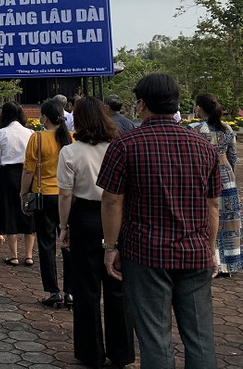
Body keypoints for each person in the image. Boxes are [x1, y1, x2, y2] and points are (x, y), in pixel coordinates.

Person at [97, 73, 221, 368]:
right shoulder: (204, 147)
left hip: (146, 253)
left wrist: (110, 247)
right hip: (195, 252)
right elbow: (213, 205)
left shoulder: (125, 144)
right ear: (177, 103)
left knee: (155, 338)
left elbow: (113, 200)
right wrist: (211, 248)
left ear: (140, 104)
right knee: (201, 338)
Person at [57, 96, 135, 368]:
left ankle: (91, 352)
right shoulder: (120, 147)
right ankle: (122, 351)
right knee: (117, 285)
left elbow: (65, 195)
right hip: (117, 215)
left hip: (85, 217)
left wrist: (63, 227)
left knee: (86, 287)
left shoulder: (70, 151)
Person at [21, 99, 73, 307]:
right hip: (66, 196)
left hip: (44, 195)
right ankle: (71, 291)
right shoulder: (71, 139)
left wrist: (23, 194)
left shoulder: (38, 138)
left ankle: (53, 291)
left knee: (46, 244)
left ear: (45, 117)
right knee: (68, 244)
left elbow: (28, 171)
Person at [187, 93, 241, 276]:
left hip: (203, 174)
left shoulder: (194, 128)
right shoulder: (227, 129)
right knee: (228, 218)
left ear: (199, 108)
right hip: (226, 174)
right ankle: (229, 264)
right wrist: (229, 171)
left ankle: (210, 258)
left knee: (206, 216)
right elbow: (233, 155)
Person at [0, 101, 36, 267]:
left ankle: (13, 255)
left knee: (10, 214)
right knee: (29, 212)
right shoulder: (31, 132)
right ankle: (29, 255)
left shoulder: (0, 133)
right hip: (28, 175)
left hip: (7, 175)